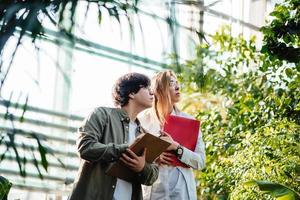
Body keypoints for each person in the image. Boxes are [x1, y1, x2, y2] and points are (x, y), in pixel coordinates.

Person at [69, 72, 158, 200]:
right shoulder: (101, 114)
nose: (152, 93)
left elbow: (153, 175)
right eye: (146, 88)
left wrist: (142, 167)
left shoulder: (144, 134)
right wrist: (124, 149)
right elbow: (85, 147)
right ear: (131, 93)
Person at [138, 70, 206, 200]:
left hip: (182, 193)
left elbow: (200, 162)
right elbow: (132, 156)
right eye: (171, 83)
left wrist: (177, 148)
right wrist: (153, 157)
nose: (177, 86)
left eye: (177, 82)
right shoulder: (142, 121)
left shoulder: (190, 122)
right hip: (153, 193)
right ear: (158, 89)